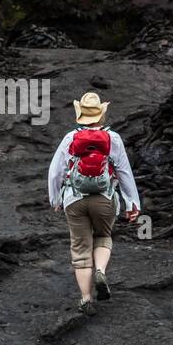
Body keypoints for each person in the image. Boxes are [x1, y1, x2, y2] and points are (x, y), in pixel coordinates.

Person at [47, 91, 141, 315]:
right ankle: (100, 269)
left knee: (80, 248)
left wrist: (55, 199)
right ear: (101, 114)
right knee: (103, 236)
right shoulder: (113, 139)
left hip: (74, 199)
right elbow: (124, 172)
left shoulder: (70, 138)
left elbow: (55, 172)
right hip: (105, 198)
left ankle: (86, 299)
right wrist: (132, 204)